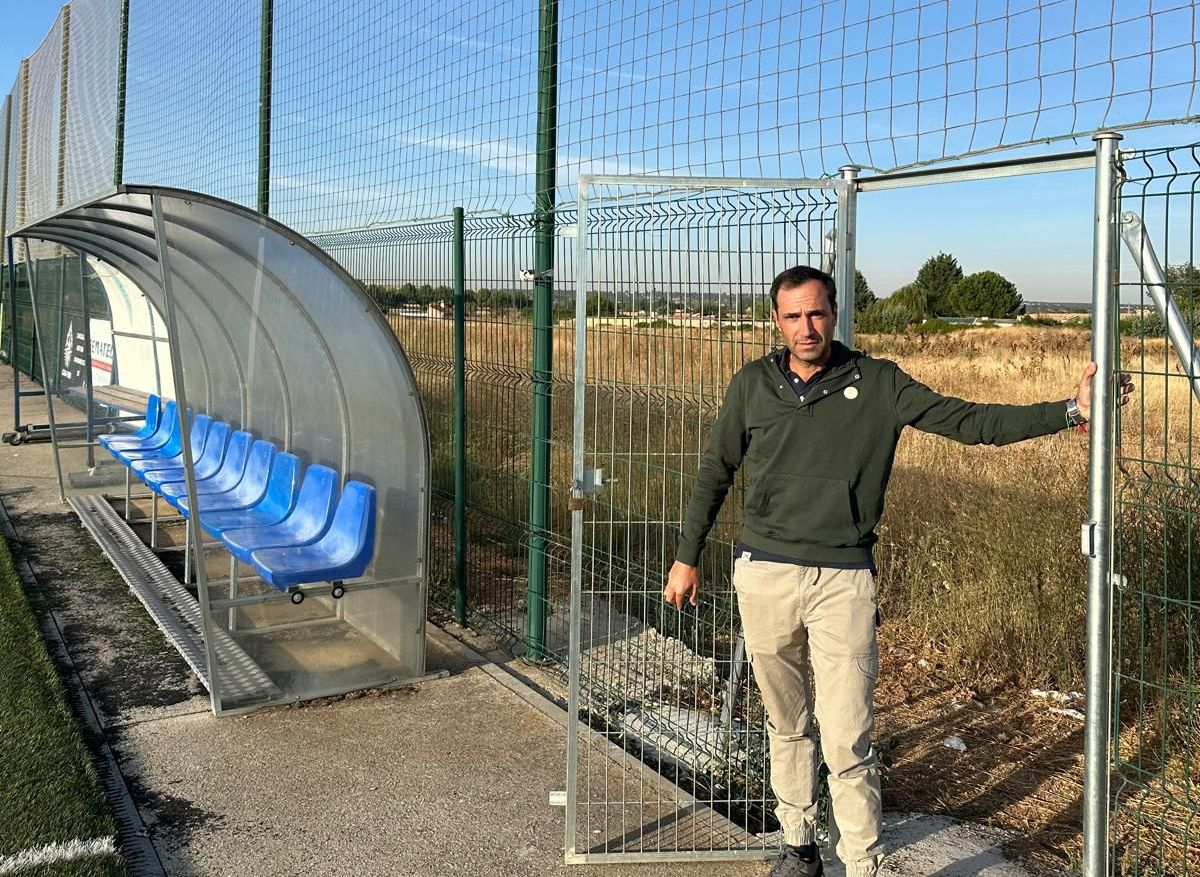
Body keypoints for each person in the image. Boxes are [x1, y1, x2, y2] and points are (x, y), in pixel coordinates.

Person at [662, 265, 1131, 877]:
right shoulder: (752, 384)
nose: (807, 328)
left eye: (817, 313)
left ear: (835, 313)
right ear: (776, 321)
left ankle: (863, 864)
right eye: (793, 316)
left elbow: (969, 422)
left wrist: (1069, 410)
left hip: (842, 582)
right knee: (786, 723)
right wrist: (687, 556)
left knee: (846, 738)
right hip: (765, 573)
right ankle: (799, 846)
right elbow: (714, 471)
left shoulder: (878, 382)